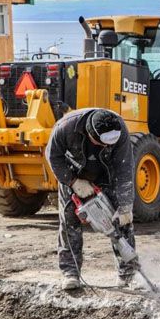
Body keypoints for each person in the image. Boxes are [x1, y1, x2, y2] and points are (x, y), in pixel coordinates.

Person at [45, 109, 137, 290]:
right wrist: (73, 181)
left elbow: (125, 169)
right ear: (90, 134)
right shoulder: (65, 127)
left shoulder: (120, 129)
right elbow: (53, 156)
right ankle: (70, 273)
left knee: (121, 224)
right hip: (74, 175)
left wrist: (126, 205)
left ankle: (128, 275)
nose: (105, 147)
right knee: (69, 223)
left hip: (107, 176)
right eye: (101, 143)